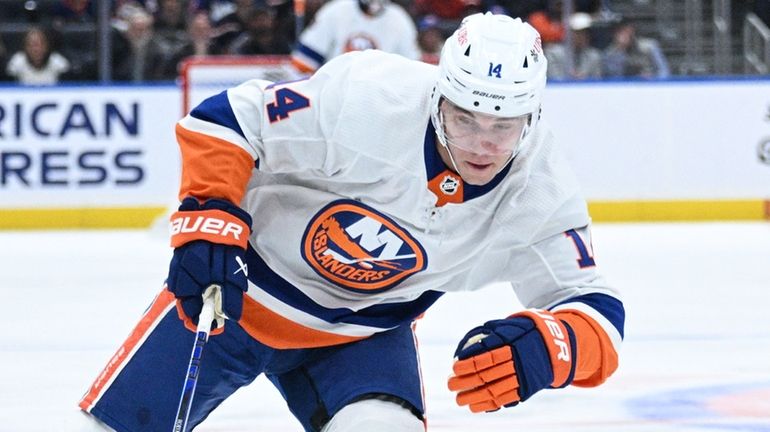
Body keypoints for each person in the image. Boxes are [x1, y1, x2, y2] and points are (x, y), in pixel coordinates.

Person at [77, 12, 624, 431]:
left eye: (503, 125)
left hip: (363, 335)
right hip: (236, 299)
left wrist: (551, 346)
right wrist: (208, 217)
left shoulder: (541, 191)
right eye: (464, 117)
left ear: (533, 118)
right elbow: (229, 118)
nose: (482, 143)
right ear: (438, 99)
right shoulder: (370, 96)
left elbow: (596, 310)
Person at [291, 0, 421, 74]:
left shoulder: (401, 21)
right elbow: (303, 62)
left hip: (379, 101)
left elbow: (411, 73)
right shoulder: (336, 11)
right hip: (334, 96)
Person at [603, 20, 670, 79]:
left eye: (626, 31)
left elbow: (664, 70)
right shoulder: (609, 54)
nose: (624, 35)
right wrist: (621, 50)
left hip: (650, 86)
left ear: (632, 31)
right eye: (620, 32)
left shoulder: (649, 46)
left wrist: (653, 78)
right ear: (614, 34)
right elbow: (612, 77)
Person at [545, 12, 603, 80]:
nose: (581, 36)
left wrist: (583, 79)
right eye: (577, 33)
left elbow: (597, 82)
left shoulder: (594, 56)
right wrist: (572, 79)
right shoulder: (553, 54)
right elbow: (553, 79)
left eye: (584, 33)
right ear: (568, 33)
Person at [6, 26, 70, 85]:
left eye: (39, 44)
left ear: (47, 46)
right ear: (25, 47)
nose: (36, 49)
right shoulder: (17, 61)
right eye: (31, 45)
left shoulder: (57, 62)